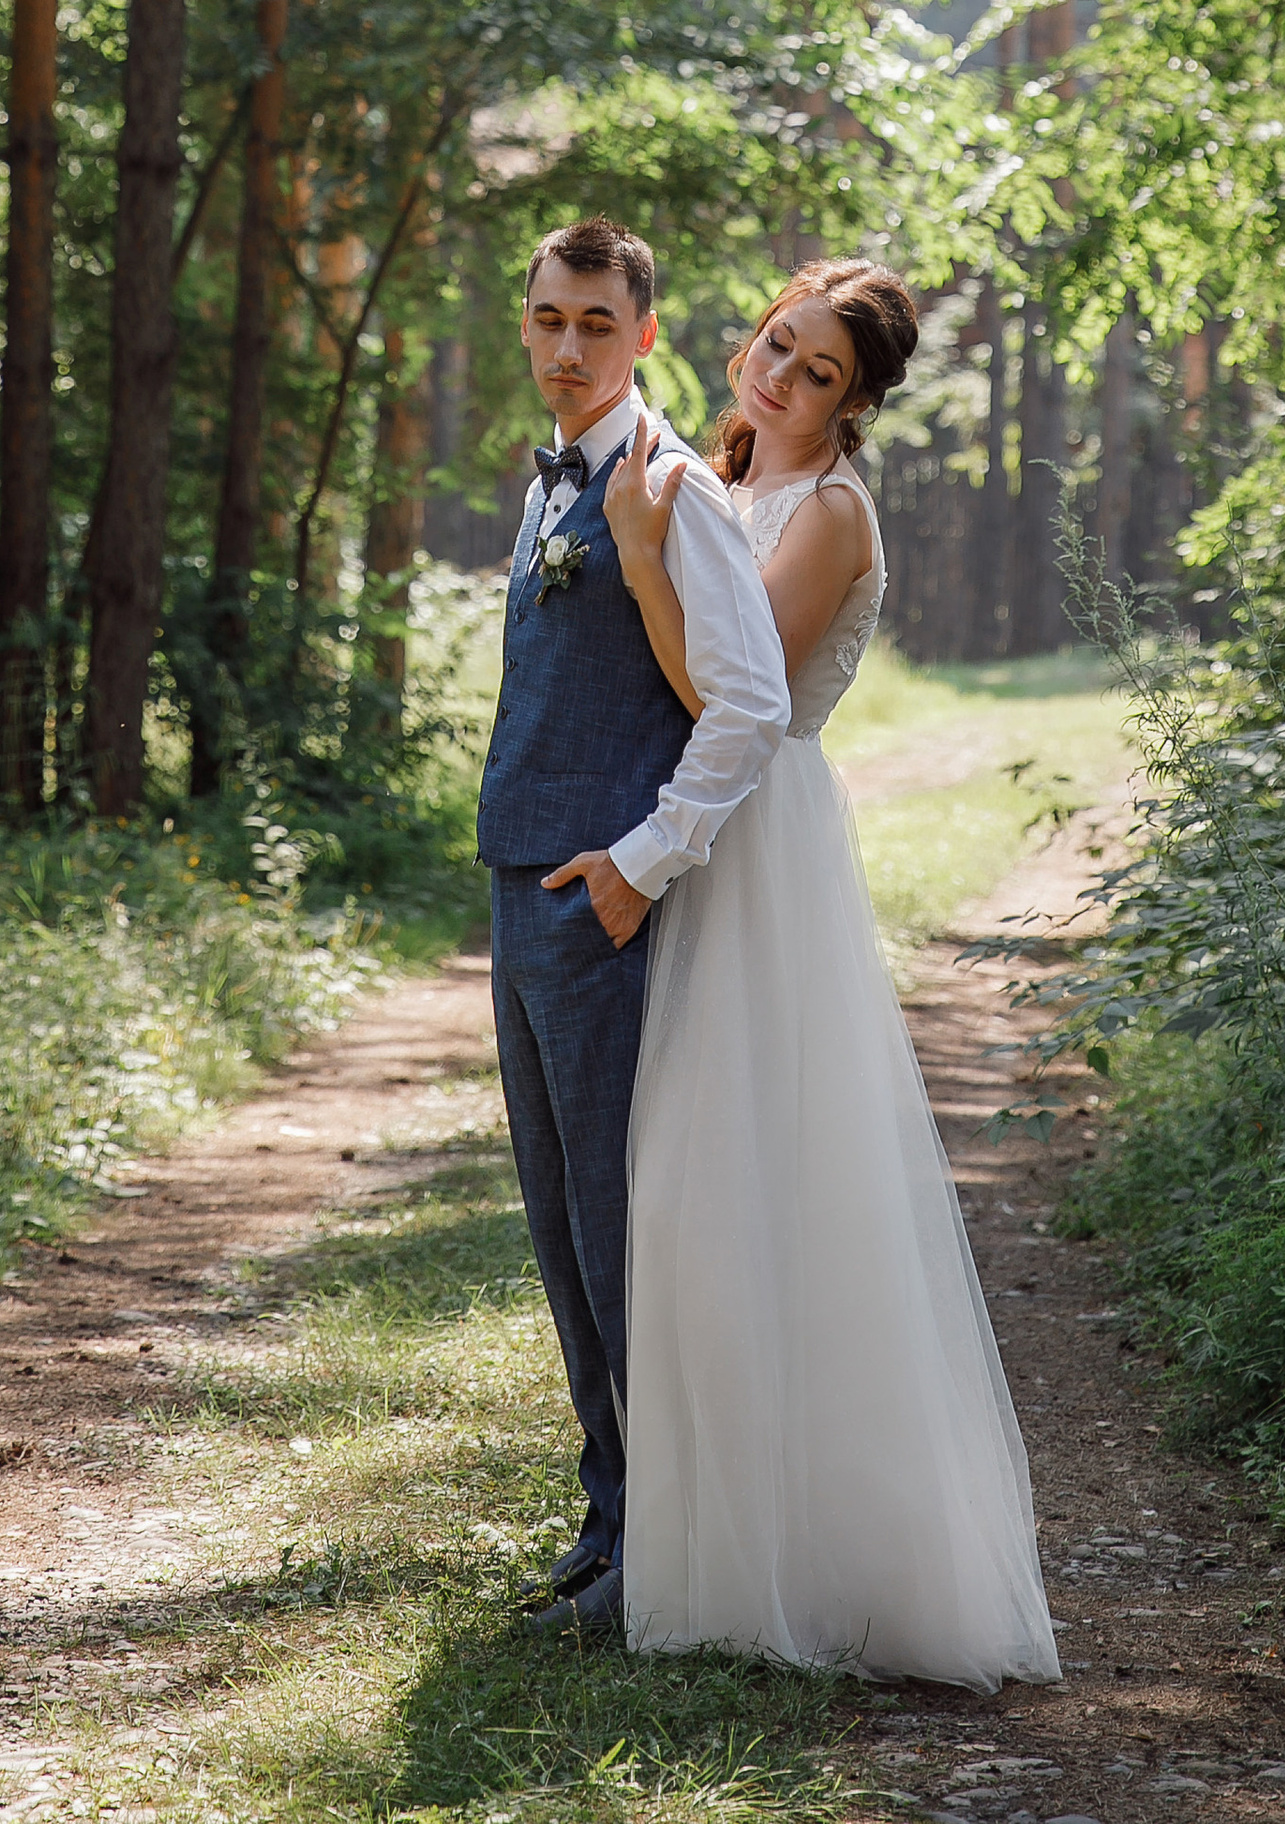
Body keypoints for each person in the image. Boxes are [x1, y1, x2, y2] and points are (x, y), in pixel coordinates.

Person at [607, 259, 1062, 1691]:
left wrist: (636, 557)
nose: (778, 377)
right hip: (700, 828)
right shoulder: (724, 471)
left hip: (765, 852)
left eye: (815, 373)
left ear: (855, 402)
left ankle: (824, 1562)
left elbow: (720, 694)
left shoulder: (831, 513)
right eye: (775, 345)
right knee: (683, 1191)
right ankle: (704, 1553)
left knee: (762, 1179)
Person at [476, 213, 790, 1647]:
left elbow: (753, 705)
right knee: (556, 1224)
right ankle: (610, 1513)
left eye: (596, 323)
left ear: (645, 334)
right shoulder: (548, 481)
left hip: (596, 904)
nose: (566, 345)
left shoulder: (671, 491)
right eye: (548, 318)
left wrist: (642, 865)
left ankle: (658, 1548)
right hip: (516, 888)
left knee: (617, 1232)